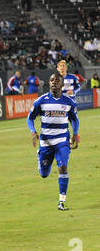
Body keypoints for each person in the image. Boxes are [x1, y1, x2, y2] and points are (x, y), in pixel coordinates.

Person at [27, 72, 79, 211]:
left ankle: (61, 201)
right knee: (44, 174)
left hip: (62, 140)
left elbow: (74, 119)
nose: (54, 82)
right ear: (49, 83)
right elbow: (30, 118)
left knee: (63, 166)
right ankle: (41, 157)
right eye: (51, 80)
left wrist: (75, 134)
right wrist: (33, 132)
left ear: (62, 84)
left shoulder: (69, 102)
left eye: (57, 80)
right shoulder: (41, 101)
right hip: (46, 142)